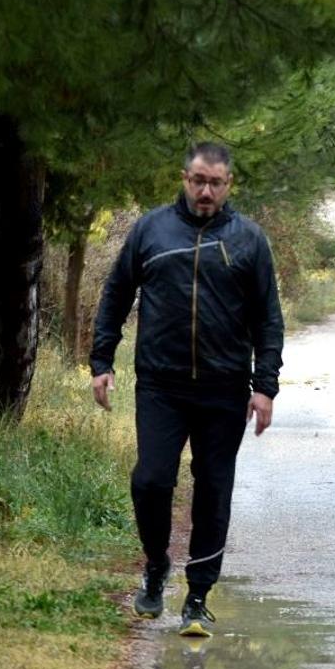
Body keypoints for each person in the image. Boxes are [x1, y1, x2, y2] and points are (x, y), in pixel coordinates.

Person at [91, 142, 283, 638]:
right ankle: (157, 566)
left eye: (215, 183)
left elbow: (268, 318)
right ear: (184, 178)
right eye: (198, 180)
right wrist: (102, 359)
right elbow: (117, 291)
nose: (205, 191)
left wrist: (264, 388)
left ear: (228, 185)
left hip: (224, 387)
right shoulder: (151, 230)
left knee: (213, 490)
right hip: (161, 383)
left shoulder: (249, 240)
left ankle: (198, 596)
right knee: (151, 480)